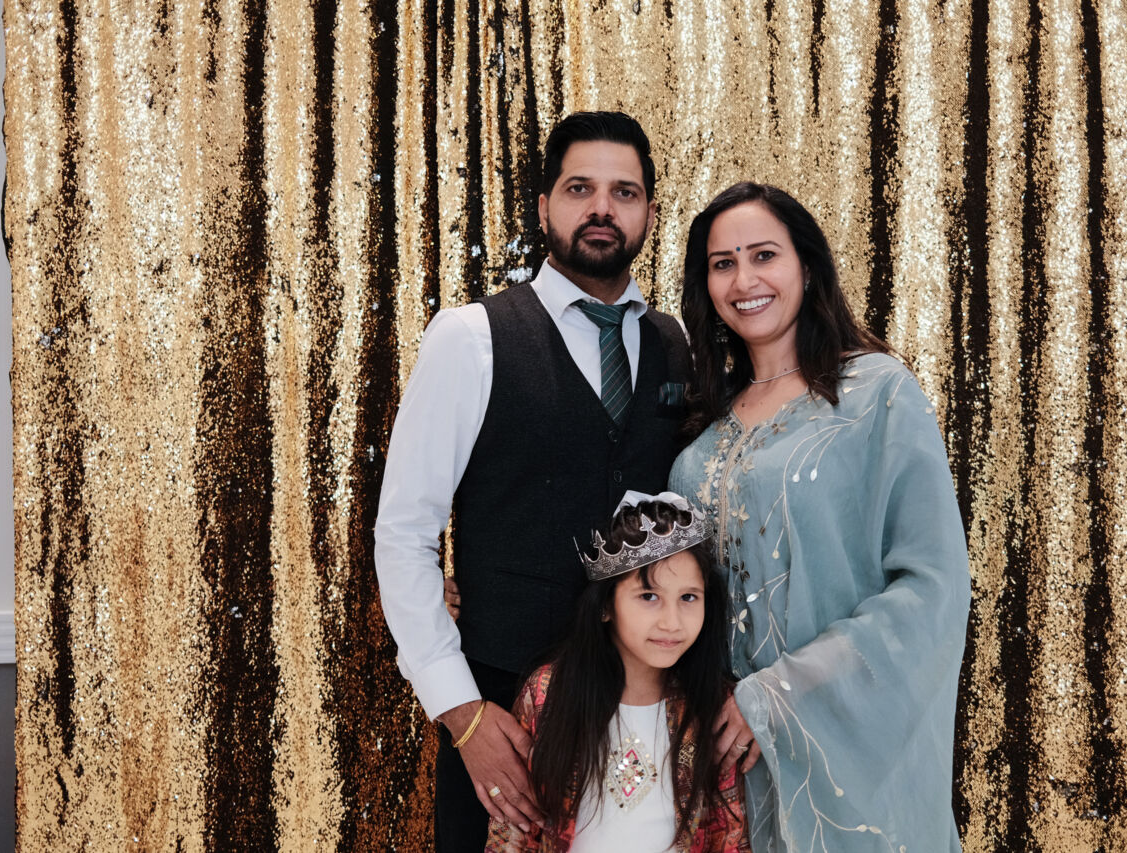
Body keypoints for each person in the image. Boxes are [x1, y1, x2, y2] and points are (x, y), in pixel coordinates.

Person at [373, 111, 693, 852]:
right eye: (580, 188)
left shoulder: (674, 343)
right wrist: (463, 716)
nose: (602, 208)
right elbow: (405, 534)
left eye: (624, 192)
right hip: (502, 719)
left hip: (643, 720)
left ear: (649, 213)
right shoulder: (470, 338)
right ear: (545, 206)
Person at [668, 182, 972, 851]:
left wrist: (777, 695)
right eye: (722, 263)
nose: (744, 280)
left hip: (843, 756)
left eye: (764, 255)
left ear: (806, 267)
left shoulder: (876, 394)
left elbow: (934, 584)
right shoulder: (703, 426)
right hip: (720, 770)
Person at [485, 493, 749, 853]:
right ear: (606, 605)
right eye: (649, 596)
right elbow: (511, 832)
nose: (672, 622)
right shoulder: (548, 693)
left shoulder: (713, 706)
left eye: (688, 598)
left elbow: (730, 837)